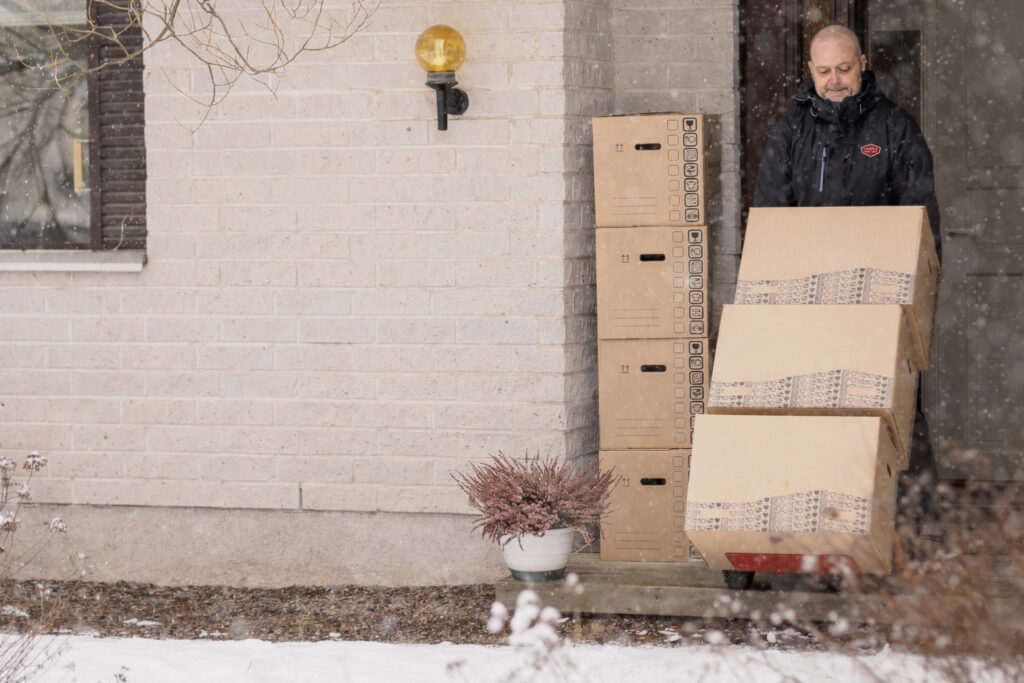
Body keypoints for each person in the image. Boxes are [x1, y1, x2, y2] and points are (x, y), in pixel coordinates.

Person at [753, 25, 943, 536]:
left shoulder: (894, 129)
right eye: (823, 71)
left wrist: (908, 306)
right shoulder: (790, 133)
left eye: (843, 69)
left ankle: (915, 535)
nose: (834, 81)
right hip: (808, 307)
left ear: (862, 63)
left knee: (895, 414)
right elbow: (769, 219)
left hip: (879, 307)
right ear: (809, 72)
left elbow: (921, 223)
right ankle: (816, 529)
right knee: (813, 417)